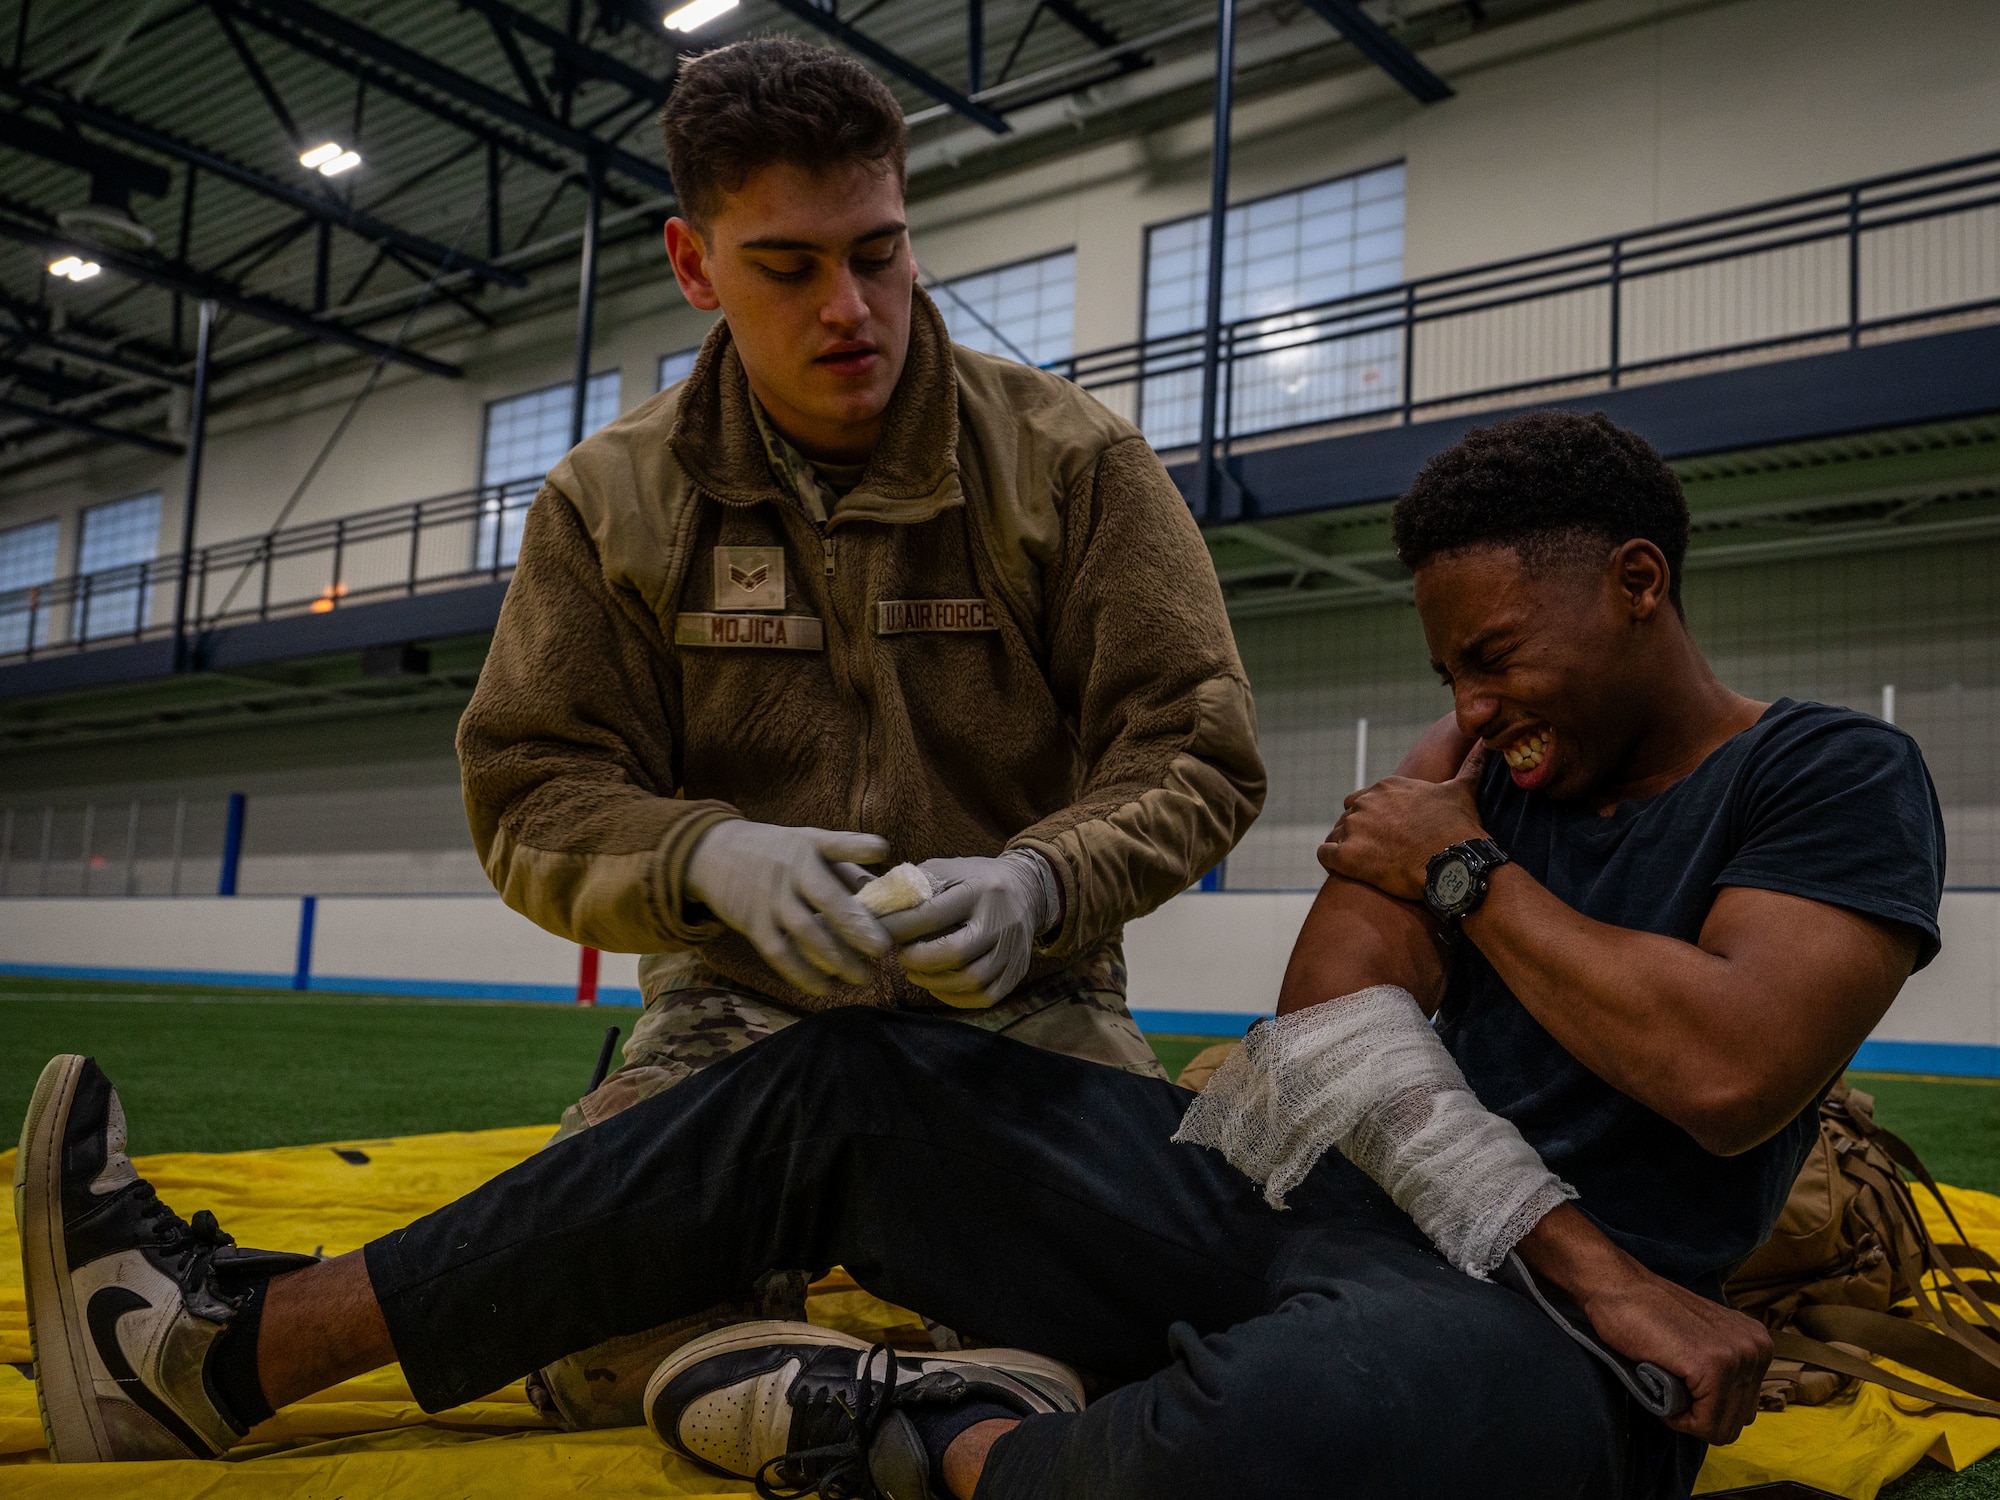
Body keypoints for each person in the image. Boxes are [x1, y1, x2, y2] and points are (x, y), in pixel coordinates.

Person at [20, 411, 1945, 1499]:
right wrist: (1594, 1240)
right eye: (1448, 674)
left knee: (1316, 1438)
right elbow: (1330, 1053)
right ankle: (216, 1352)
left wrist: (1465, 885)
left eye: (1495, 663)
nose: (1470, 712)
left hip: (1512, 1334)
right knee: (843, 1074)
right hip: (1335, 1216)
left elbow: (1722, 1069)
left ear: (1640, 588)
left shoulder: (1834, 776)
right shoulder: (1472, 793)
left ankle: (930, 1432)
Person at [457, 37, 1262, 1422]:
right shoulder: (610, 502)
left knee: (1167, 1335)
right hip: (735, 1010)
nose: (853, 308)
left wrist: (1039, 880)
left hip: (1029, 999)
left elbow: (1195, 744)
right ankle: (883, 1394)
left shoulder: (1071, 462)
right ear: (693, 265)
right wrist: (702, 857)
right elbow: (531, 784)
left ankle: (833, 1380)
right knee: (590, 1352)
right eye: (788, 267)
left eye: (880, 254)